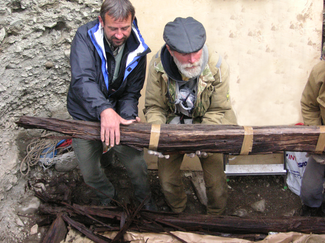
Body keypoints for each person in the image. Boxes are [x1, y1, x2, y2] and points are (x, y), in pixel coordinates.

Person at [67, 0, 156, 210]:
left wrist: (126, 114)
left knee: (136, 163)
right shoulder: (84, 37)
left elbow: (132, 92)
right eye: (113, 28)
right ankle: (108, 197)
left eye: (125, 28)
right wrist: (104, 110)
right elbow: (83, 80)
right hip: (85, 112)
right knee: (89, 171)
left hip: (116, 112)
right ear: (101, 22)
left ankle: (144, 200)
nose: (119, 35)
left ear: (132, 22)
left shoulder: (138, 47)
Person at [143, 17, 237, 215]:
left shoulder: (217, 65)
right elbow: (154, 106)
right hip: (173, 123)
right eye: (185, 55)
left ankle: (216, 215)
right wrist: (158, 136)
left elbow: (218, 109)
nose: (193, 60)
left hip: (209, 123)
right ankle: (179, 212)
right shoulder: (157, 65)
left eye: (196, 52)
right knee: (167, 180)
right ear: (170, 49)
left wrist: (203, 138)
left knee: (216, 182)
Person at [299, 46, 325, 217]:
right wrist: (319, 136)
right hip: (324, 141)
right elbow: (309, 105)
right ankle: (312, 212)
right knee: (309, 191)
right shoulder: (320, 71)